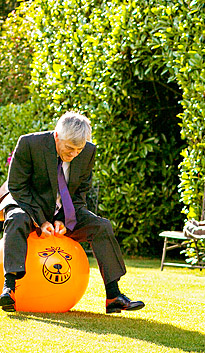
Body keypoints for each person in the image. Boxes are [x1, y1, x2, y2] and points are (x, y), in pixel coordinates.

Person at [0, 111, 145, 314]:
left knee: (101, 226)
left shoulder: (88, 151)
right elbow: (17, 187)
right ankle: (10, 288)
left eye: (79, 149)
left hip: (63, 212)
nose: (74, 154)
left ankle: (113, 295)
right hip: (28, 205)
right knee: (16, 218)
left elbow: (79, 194)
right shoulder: (29, 144)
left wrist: (66, 221)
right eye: (69, 148)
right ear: (57, 136)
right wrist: (41, 221)